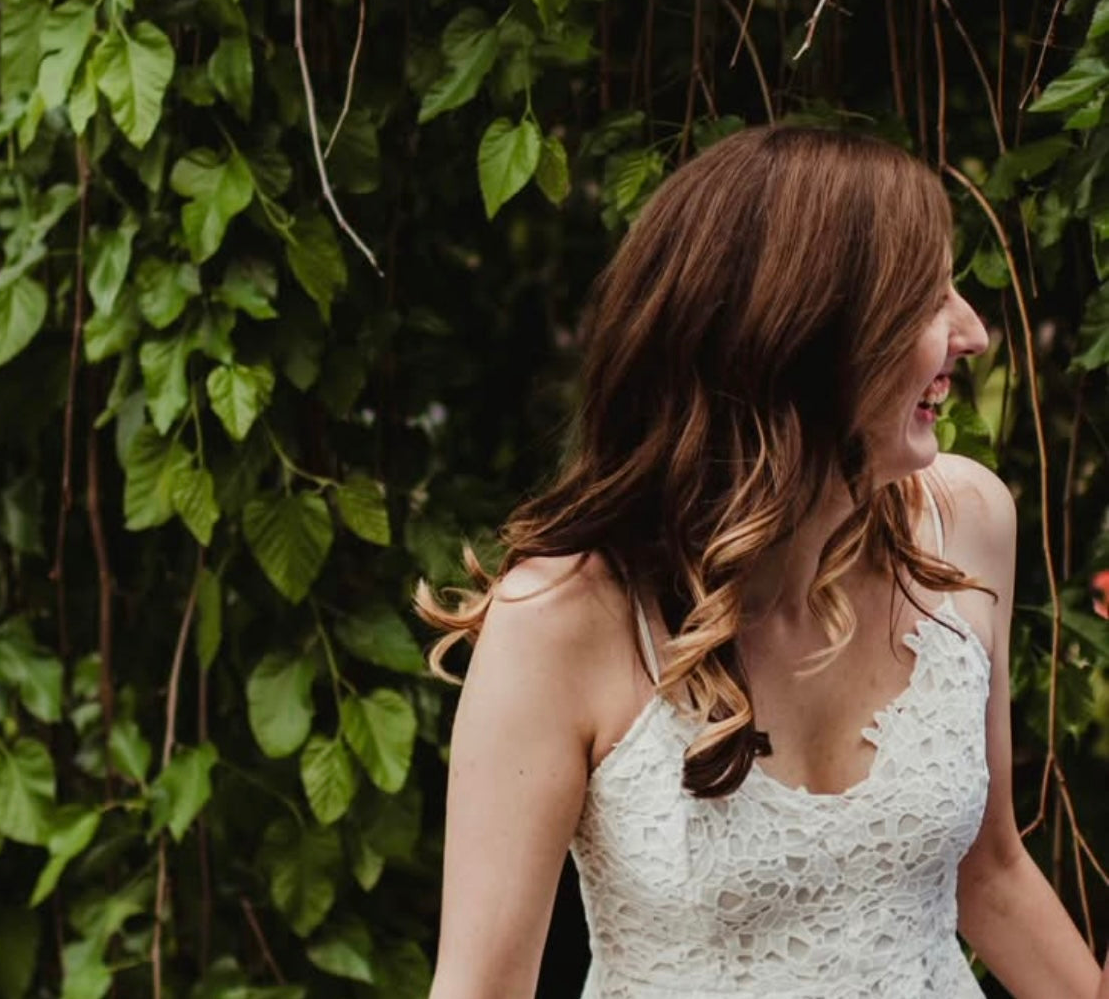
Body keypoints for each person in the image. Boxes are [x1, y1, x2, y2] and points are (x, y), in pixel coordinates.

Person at [419, 127, 1102, 999]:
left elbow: (991, 872)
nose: (972, 333)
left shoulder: (966, 524)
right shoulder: (561, 622)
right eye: (927, 300)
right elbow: (480, 988)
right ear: (804, 338)